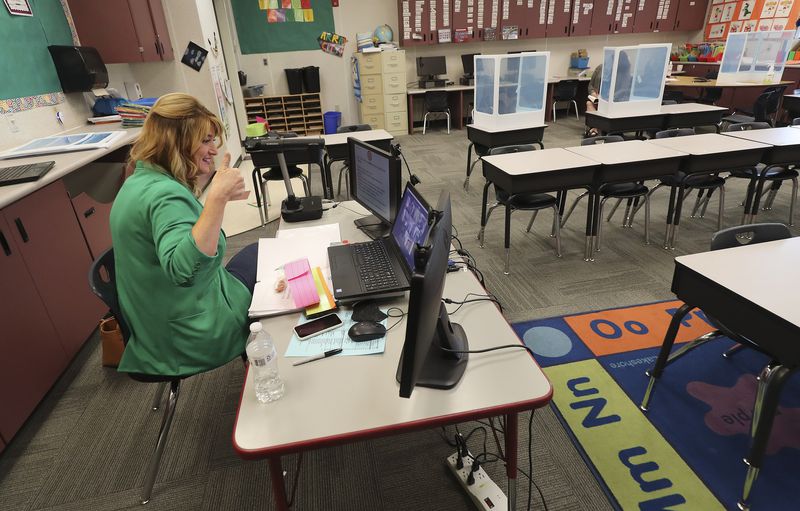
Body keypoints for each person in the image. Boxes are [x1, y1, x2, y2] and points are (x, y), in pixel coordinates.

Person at [110, 93, 256, 377]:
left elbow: (178, 226)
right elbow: (186, 273)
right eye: (205, 140)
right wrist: (216, 199)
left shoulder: (140, 180)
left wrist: (215, 195)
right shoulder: (164, 195)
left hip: (157, 324)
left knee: (255, 254)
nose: (213, 149)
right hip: (188, 334)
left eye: (213, 140)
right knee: (272, 274)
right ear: (174, 142)